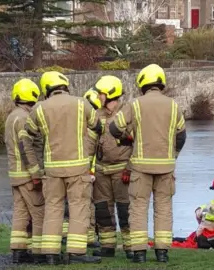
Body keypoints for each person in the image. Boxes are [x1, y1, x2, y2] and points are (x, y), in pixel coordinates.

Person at [20, 71, 103, 265]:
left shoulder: (39, 108)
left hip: (52, 170)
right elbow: (97, 126)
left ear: (46, 89)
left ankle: (50, 253)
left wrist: (34, 168)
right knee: (79, 209)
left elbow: (26, 138)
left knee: (53, 209)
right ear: (65, 86)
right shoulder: (82, 104)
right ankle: (76, 253)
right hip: (78, 168)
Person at [109, 64, 187, 263]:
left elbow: (114, 128)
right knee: (163, 208)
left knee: (138, 208)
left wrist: (128, 137)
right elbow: (181, 136)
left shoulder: (135, 105)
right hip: (166, 167)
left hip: (140, 167)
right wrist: (173, 156)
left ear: (142, 83)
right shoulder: (173, 105)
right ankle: (162, 252)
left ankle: (139, 253)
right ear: (161, 83)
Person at [88, 75, 133, 259]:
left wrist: (130, 167)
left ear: (111, 94)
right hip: (101, 171)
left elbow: (138, 143)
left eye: (101, 94)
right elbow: (89, 143)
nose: (98, 97)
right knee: (102, 211)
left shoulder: (127, 114)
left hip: (122, 171)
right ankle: (108, 246)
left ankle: (131, 247)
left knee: (125, 210)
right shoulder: (96, 115)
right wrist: (86, 166)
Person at [5, 78, 46, 264]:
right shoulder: (24, 118)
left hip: (15, 176)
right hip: (27, 175)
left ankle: (18, 251)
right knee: (39, 213)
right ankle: (38, 252)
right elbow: (25, 148)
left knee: (21, 212)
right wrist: (36, 174)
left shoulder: (11, 116)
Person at [62, 89, 103, 248]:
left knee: (70, 204)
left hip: (72, 169)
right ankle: (88, 237)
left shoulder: (74, 122)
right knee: (86, 205)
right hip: (87, 171)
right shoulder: (94, 125)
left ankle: (66, 235)